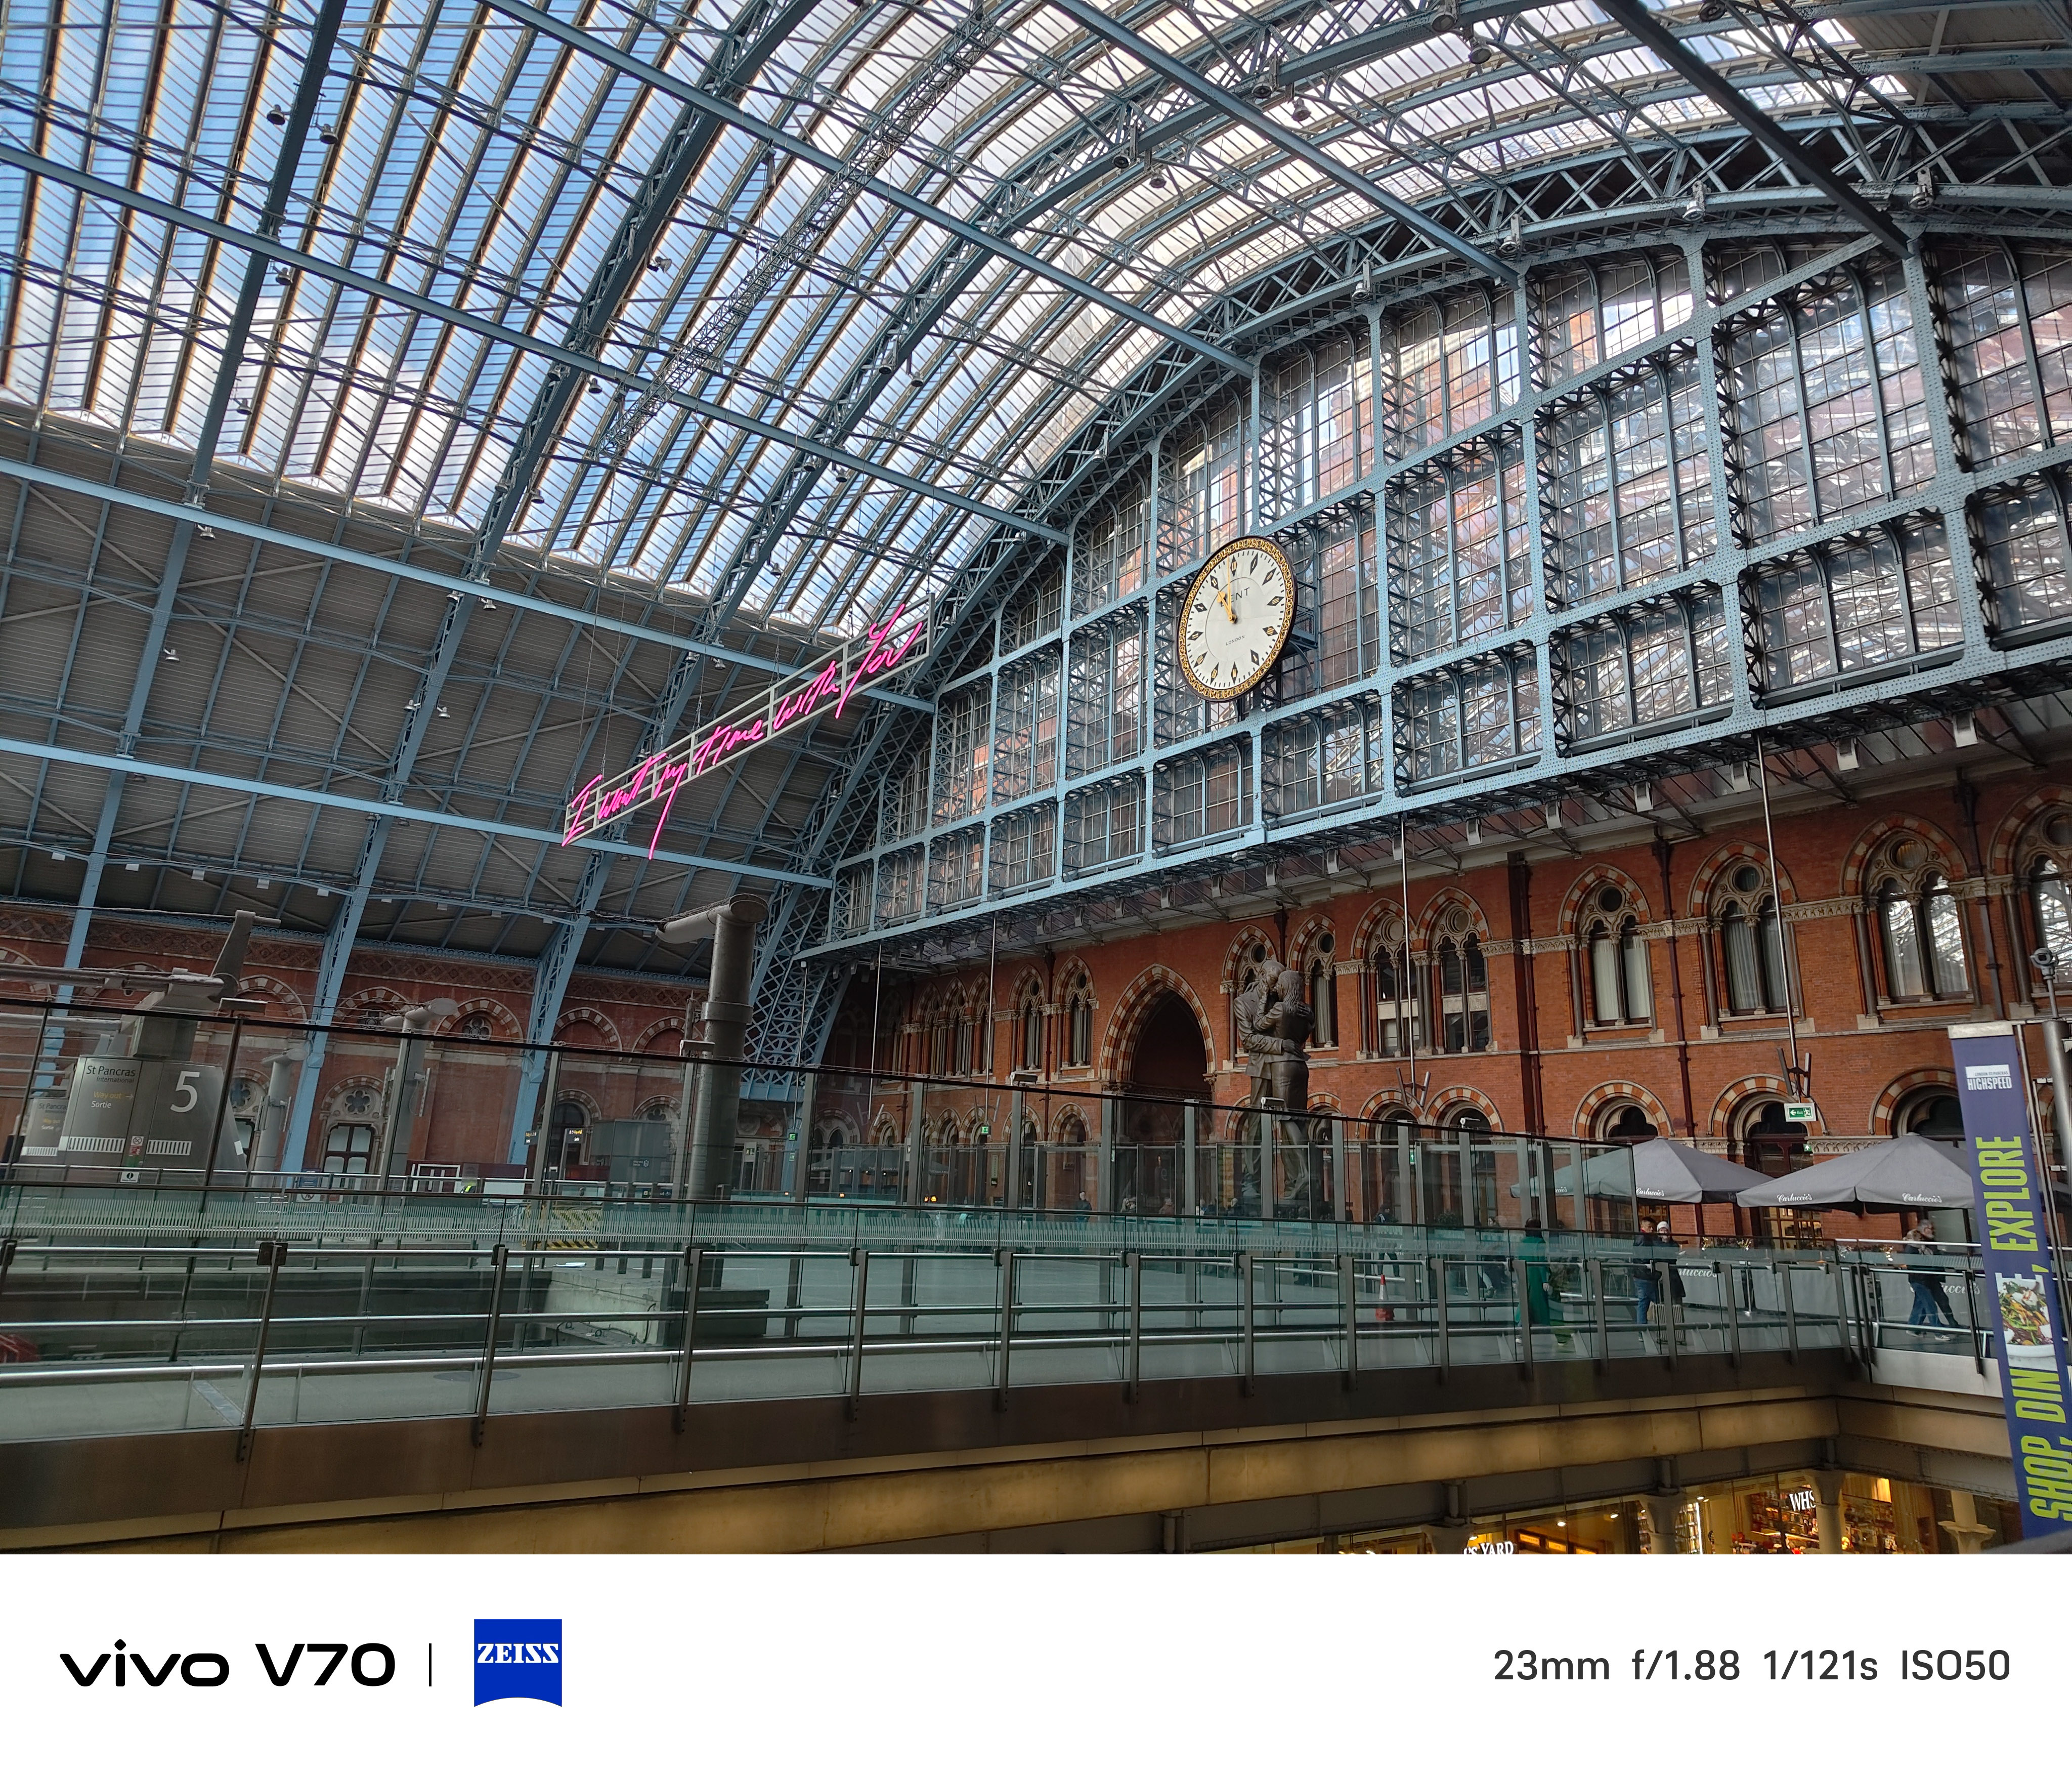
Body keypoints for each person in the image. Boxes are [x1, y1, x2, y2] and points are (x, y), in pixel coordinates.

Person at [1904, 1217, 1957, 1330]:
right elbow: (1913, 1264)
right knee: (1929, 1305)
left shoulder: (1929, 1242)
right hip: (1921, 1279)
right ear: (1924, 1230)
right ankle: (1938, 1329)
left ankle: (1914, 1328)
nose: (1933, 1231)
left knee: (1936, 1301)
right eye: (1931, 1229)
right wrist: (1930, 1267)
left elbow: (1937, 1256)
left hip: (1931, 1277)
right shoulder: (1913, 1246)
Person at [1631, 1220, 1660, 1325]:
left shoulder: (1642, 1238)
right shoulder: (1644, 1239)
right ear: (1643, 1226)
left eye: (1653, 1227)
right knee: (1658, 1301)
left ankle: (1642, 1330)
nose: (1652, 1229)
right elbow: (1644, 1257)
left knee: (1643, 1303)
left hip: (1641, 1275)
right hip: (1646, 1276)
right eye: (1650, 1227)